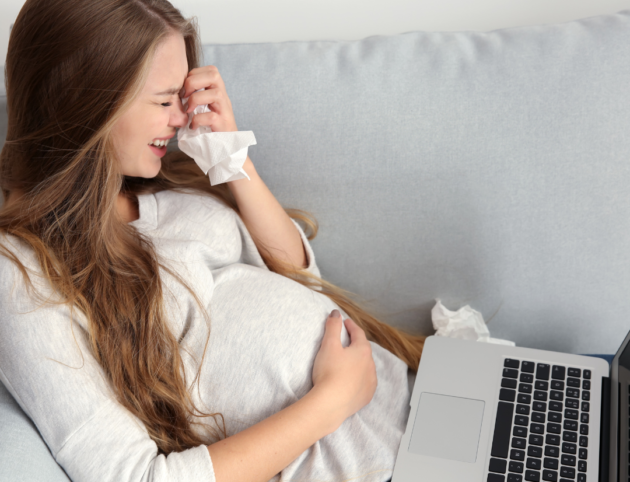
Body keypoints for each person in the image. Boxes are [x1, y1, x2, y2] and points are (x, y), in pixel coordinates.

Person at [0, 0, 427, 481]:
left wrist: (234, 161)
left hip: (415, 396)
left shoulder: (160, 176)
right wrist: (333, 400)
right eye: (164, 101)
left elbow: (304, 281)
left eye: (181, 96)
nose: (181, 118)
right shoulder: (22, 273)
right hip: (374, 463)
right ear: (83, 105)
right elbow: (134, 476)